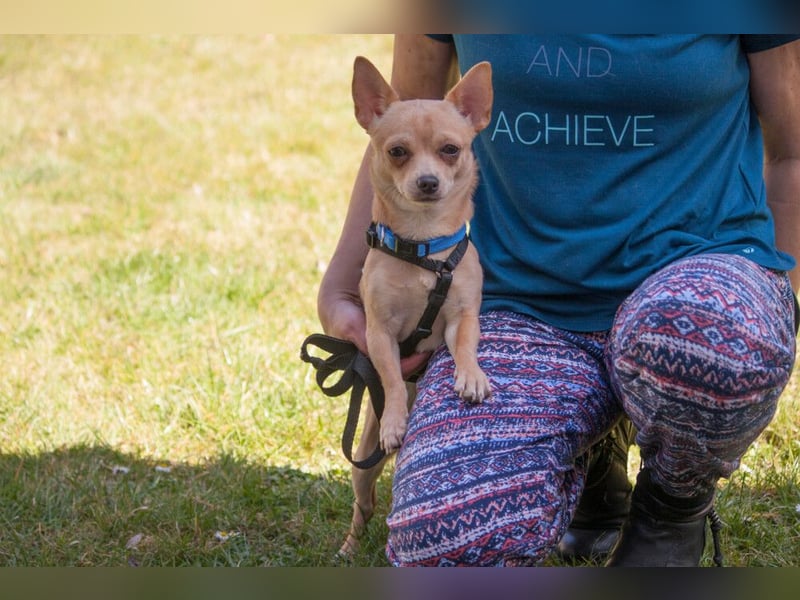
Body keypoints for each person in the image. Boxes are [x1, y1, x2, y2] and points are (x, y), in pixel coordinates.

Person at [317, 34, 800, 566]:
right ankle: (590, 454)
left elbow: (793, 149)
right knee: (446, 542)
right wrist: (343, 283)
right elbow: (400, 119)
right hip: (519, 302)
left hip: (693, 270)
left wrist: (773, 297)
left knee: (712, 331)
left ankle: (670, 510)